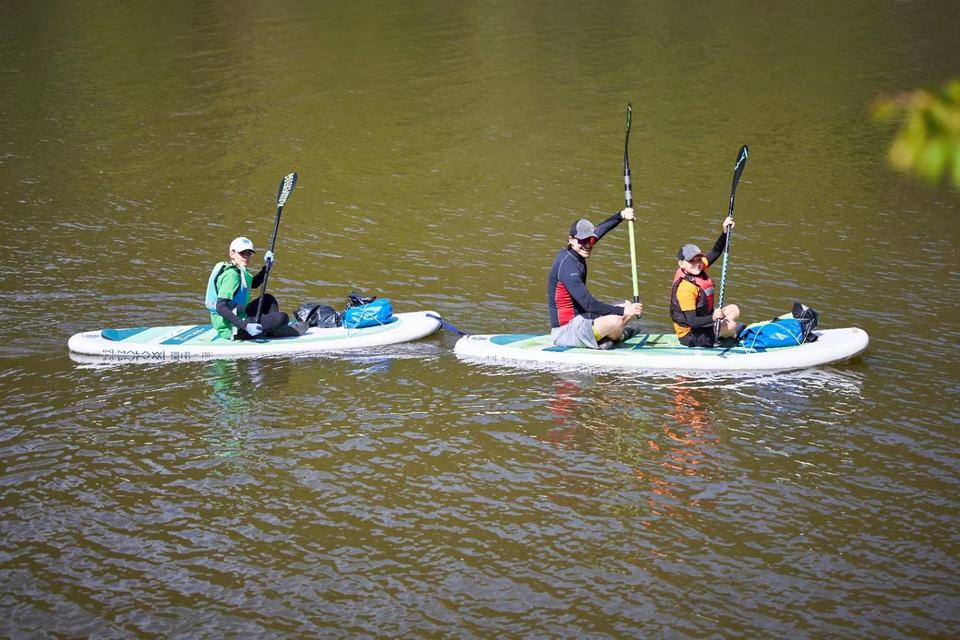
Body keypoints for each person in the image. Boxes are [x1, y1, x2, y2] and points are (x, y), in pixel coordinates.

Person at [547, 208, 644, 349]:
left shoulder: (579, 248)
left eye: (590, 240)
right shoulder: (568, 267)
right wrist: (623, 312)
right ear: (571, 240)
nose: (588, 245)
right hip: (566, 331)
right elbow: (589, 304)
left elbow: (602, 229)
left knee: (628, 304)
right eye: (583, 240)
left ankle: (607, 337)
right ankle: (617, 337)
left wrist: (621, 215)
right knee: (616, 321)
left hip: (583, 319)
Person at [204, 236, 305, 340]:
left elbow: (254, 284)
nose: (246, 256)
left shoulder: (237, 270)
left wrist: (266, 268)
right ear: (232, 254)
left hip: (239, 315)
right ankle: (274, 330)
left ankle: (273, 330)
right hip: (233, 327)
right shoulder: (231, 276)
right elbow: (220, 307)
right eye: (242, 253)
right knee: (282, 317)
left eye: (249, 253)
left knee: (268, 299)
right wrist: (245, 326)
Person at [669, 215, 745, 347]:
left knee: (734, 309)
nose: (697, 264)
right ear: (681, 264)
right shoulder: (686, 289)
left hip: (703, 323)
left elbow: (716, 251)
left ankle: (722, 330)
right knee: (732, 325)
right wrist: (713, 317)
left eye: (698, 259)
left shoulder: (697, 268)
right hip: (690, 335)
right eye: (691, 261)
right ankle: (727, 333)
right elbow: (692, 322)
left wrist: (724, 232)